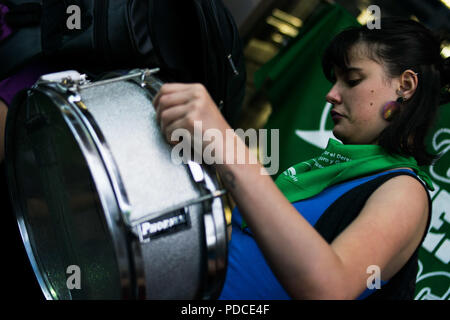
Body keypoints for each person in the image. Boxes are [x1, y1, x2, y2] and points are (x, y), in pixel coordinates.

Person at [152, 17, 450, 299]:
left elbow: (330, 289)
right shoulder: (329, 168)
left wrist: (228, 148)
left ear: (405, 86)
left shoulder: (405, 191)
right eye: (335, 81)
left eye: (352, 79)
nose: (332, 94)